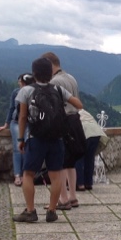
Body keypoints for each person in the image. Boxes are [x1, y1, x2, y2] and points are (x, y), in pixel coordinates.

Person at [13, 57, 83, 223]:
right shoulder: (58, 89)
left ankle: (30, 211)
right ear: (50, 73)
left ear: (34, 73)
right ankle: (52, 211)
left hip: (36, 138)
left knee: (28, 174)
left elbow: (22, 117)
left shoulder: (26, 91)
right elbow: (79, 104)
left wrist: (21, 138)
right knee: (56, 175)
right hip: (57, 139)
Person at [41, 52, 82, 209]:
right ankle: (73, 197)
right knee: (70, 163)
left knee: (60, 162)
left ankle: (63, 199)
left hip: (63, 122)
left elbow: (53, 106)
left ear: (49, 64)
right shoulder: (71, 78)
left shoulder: (54, 81)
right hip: (75, 119)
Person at [0, 73, 35, 186]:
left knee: (27, 148)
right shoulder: (16, 92)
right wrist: (6, 124)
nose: (18, 83)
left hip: (29, 123)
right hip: (16, 122)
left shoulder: (34, 92)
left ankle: (25, 174)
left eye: (19, 81)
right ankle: (18, 175)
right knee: (17, 149)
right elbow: (11, 108)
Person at [75, 109, 109, 191]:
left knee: (79, 158)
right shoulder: (84, 112)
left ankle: (80, 184)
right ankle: (88, 183)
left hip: (86, 133)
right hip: (96, 134)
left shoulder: (71, 113)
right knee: (89, 159)